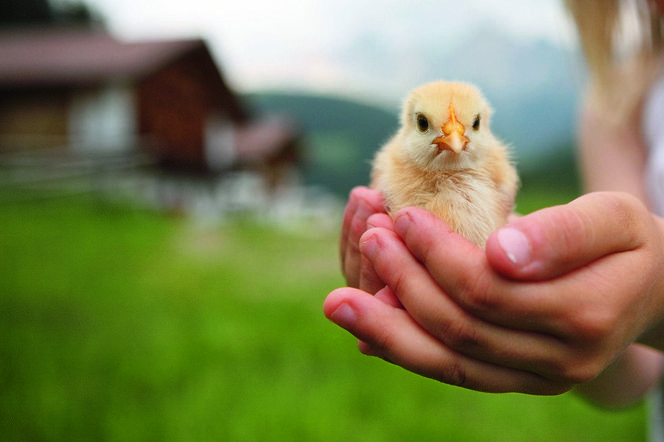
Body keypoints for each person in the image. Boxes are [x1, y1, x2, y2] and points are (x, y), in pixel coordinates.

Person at [324, 0, 664, 412]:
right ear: (408, 123)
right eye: (425, 125)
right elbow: (634, 375)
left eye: (471, 127)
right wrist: (585, 326)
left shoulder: (498, 165)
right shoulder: (619, 98)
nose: (453, 138)